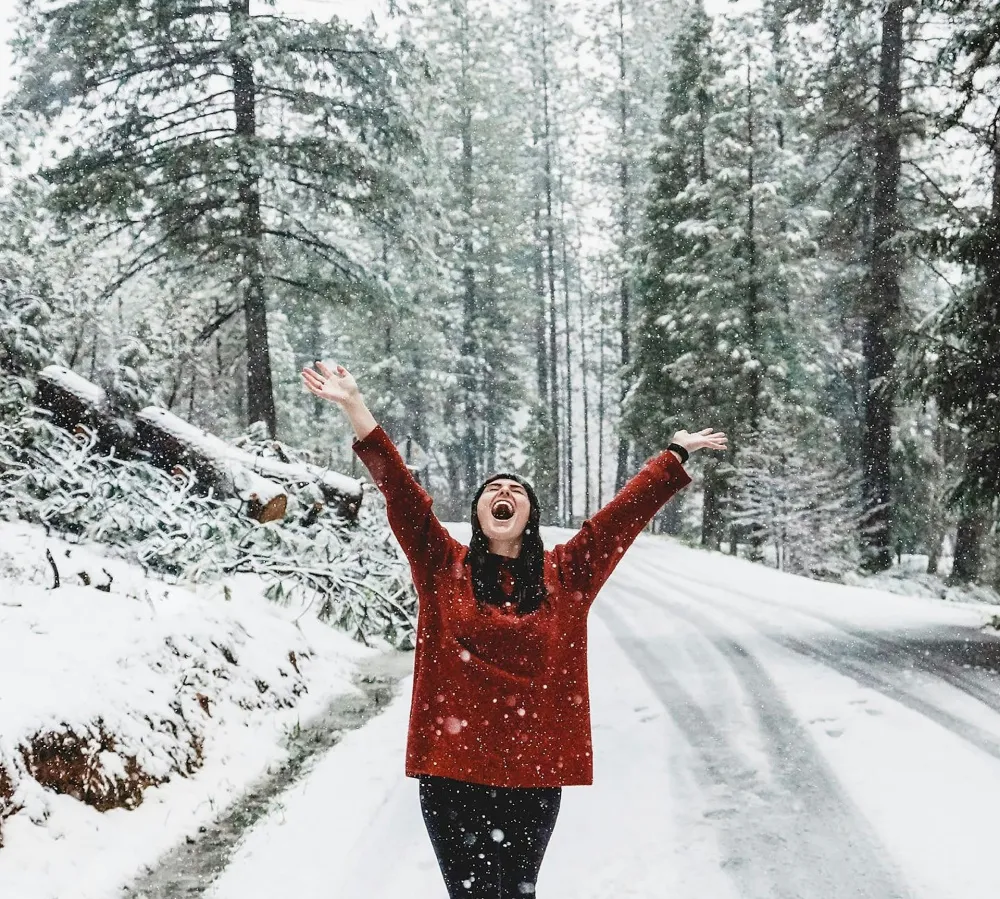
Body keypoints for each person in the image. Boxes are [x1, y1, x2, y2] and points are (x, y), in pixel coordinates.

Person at [301, 360, 727, 899]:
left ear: (530, 513)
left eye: (515, 490)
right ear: (480, 512)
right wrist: (354, 407)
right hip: (451, 769)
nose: (503, 492)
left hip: (534, 770)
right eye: (492, 489)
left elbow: (621, 517)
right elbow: (402, 494)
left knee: (515, 895)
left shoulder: (567, 575)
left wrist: (674, 457)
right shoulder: (440, 565)